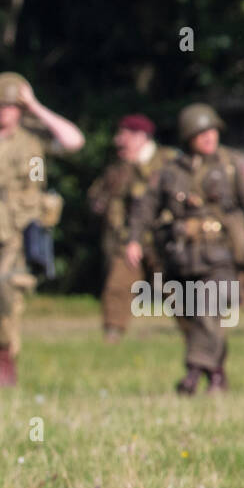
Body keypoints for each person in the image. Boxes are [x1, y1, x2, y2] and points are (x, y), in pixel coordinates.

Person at [0, 72, 84, 386]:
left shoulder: (34, 137)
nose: (5, 111)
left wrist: (35, 106)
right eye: (0, 105)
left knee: (5, 286)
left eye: (12, 106)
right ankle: (1, 351)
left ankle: (6, 360)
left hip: (20, 225)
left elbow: (75, 141)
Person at [126, 104, 244, 395]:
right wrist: (133, 239)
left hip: (221, 255)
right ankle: (216, 374)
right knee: (191, 317)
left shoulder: (232, 165)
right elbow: (145, 208)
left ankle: (193, 371)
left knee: (208, 311)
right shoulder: (169, 172)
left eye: (212, 131)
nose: (209, 137)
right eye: (201, 132)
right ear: (188, 136)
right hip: (180, 257)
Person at [86, 114, 176, 342]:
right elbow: (97, 198)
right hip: (127, 241)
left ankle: (195, 330)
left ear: (140, 137)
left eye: (123, 136)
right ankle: (113, 333)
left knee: (175, 286)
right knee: (118, 285)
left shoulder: (168, 161)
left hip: (162, 239)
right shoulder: (119, 168)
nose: (118, 141)